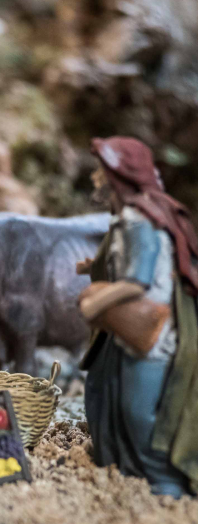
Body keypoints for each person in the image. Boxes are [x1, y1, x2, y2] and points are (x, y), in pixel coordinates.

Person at [77, 136, 198, 499]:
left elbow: (137, 281)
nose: (96, 178)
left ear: (119, 176)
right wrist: (95, 266)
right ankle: (122, 463)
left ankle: (164, 480)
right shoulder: (130, 217)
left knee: (140, 411)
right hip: (128, 329)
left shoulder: (138, 221)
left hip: (149, 331)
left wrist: (94, 305)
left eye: (102, 171)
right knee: (103, 390)